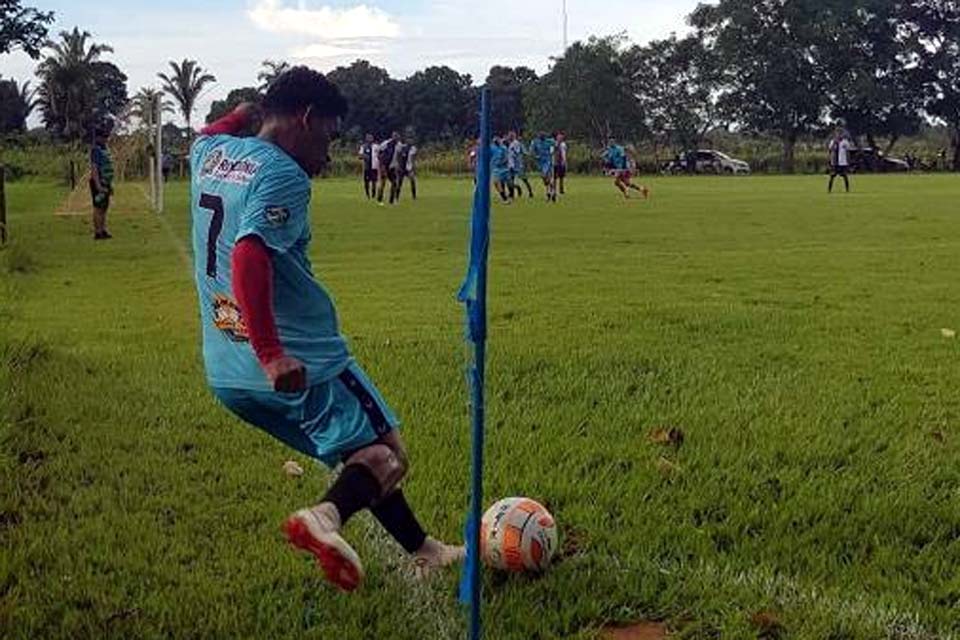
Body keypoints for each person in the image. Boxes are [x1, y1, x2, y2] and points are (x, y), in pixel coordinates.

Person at [189, 67, 464, 592]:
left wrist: (237, 116)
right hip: (299, 361)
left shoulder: (212, 156)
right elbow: (250, 252)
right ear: (305, 119)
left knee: (361, 455)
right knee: (387, 456)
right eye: (328, 136)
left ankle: (423, 551)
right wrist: (272, 353)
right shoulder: (284, 174)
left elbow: (205, 137)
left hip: (228, 368)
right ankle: (324, 519)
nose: (327, 154)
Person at [89, 127, 114, 240]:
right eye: (104, 137)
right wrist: (98, 185)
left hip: (106, 182)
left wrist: (109, 185)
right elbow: (94, 168)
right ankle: (97, 232)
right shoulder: (96, 150)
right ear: (98, 137)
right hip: (98, 182)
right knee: (98, 207)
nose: (106, 139)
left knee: (104, 207)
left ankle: (103, 230)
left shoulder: (105, 149)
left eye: (106, 137)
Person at [530, 132, 557, 202]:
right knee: (545, 178)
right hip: (540, 162)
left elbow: (555, 146)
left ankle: (550, 192)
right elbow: (532, 151)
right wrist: (536, 156)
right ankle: (551, 191)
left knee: (546, 175)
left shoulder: (549, 141)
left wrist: (552, 152)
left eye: (543, 136)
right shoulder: (536, 142)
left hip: (548, 161)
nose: (542, 137)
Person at [507, 131, 534, 199]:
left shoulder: (516, 143)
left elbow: (517, 152)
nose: (509, 137)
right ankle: (512, 194)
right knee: (510, 180)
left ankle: (530, 192)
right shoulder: (510, 144)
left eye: (510, 136)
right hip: (511, 165)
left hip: (518, 165)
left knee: (524, 179)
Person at [377, 131, 401, 206]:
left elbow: (398, 156)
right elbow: (379, 152)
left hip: (392, 166)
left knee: (394, 183)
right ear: (392, 136)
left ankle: (391, 200)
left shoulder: (399, 145)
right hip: (384, 165)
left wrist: (397, 165)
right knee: (383, 183)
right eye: (394, 136)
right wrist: (382, 166)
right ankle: (379, 199)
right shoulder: (386, 143)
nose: (396, 138)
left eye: (397, 136)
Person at [828, 128, 853, 193]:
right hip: (835, 162)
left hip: (842, 162)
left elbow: (848, 152)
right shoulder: (833, 141)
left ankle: (847, 189)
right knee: (832, 176)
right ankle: (829, 190)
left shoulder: (845, 142)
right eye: (837, 134)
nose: (839, 135)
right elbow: (830, 150)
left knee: (845, 176)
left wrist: (848, 161)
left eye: (840, 134)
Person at [490, 136, 512, 203]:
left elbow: (506, 157)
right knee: (496, 182)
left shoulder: (503, 148)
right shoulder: (491, 148)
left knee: (509, 183)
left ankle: (511, 194)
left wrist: (504, 161)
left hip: (504, 168)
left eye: (498, 140)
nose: (496, 141)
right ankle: (504, 198)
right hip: (496, 168)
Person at [398, 135, 418, 201]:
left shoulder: (413, 148)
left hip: (409, 167)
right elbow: (399, 157)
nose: (410, 141)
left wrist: (413, 167)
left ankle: (414, 196)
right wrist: (399, 166)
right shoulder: (402, 147)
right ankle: (397, 195)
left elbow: (413, 159)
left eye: (411, 140)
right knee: (400, 182)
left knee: (412, 181)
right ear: (406, 141)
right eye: (409, 140)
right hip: (402, 167)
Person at [358, 133, 377, 199]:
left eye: (371, 138)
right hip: (367, 167)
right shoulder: (363, 147)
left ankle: (373, 194)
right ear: (366, 139)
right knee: (366, 181)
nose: (370, 139)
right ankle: (367, 194)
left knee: (374, 181)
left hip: (374, 167)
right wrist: (365, 156)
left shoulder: (376, 147)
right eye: (368, 138)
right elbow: (360, 156)